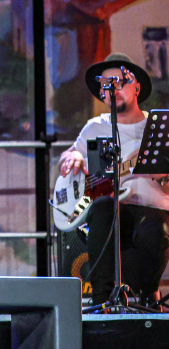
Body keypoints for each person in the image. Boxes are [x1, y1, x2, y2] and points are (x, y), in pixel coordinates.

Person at [58, 53, 169, 306]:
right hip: (114, 212)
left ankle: (149, 296)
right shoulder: (94, 127)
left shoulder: (159, 128)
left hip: (153, 211)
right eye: (106, 84)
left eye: (120, 81)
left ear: (136, 87)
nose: (113, 89)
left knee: (154, 229)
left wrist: (163, 176)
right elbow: (70, 154)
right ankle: (102, 302)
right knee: (101, 207)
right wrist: (72, 156)